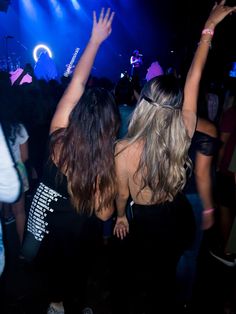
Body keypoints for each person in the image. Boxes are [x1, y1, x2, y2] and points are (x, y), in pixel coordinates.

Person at [113, 2, 236, 313]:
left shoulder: (123, 149)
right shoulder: (184, 127)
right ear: (176, 105)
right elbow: (194, 76)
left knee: (144, 277)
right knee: (168, 273)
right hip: (177, 216)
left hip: (148, 222)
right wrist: (208, 28)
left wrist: (119, 216)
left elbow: (121, 195)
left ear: (143, 102)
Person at [21, 8, 117, 313]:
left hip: (45, 227)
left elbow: (76, 85)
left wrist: (94, 41)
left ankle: (54, 304)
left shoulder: (59, 136)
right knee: (74, 274)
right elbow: (104, 216)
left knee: (49, 274)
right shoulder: (100, 168)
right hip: (75, 236)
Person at [0, 123, 22, 276]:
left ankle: (7, 217)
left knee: (4, 206)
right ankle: (21, 245)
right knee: (20, 212)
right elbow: (25, 156)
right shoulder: (19, 127)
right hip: (15, 173)